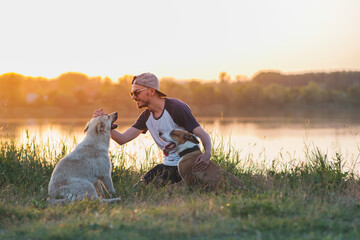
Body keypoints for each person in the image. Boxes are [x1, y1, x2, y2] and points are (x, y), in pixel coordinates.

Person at [93, 72, 211, 186]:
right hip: (168, 164)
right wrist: (105, 124)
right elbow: (122, 139)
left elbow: (203, 135)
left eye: (137, 93)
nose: (133, 97)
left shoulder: (176, 108)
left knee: (154, 187)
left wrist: (207, 154)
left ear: (151, 91)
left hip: (186, 165)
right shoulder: (146, 116)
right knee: (140, 187)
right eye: (131, 94)